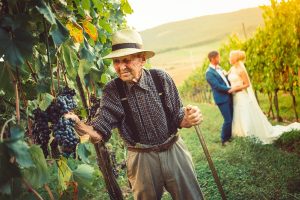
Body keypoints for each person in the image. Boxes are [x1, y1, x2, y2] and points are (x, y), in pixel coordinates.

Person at [65, 29, 204, 200]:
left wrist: (189, 117)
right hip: (141, 159)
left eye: (126, 60)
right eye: (116, 61)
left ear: (142, 60)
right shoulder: (112, 90)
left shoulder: (161, 78)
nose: (121, 67)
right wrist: (80, 125)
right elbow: (100, 130)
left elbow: (178, 115)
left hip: (174, 150)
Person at [227, 50, 300, 144]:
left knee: (244, 113)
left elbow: (247, 84)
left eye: (230, 57)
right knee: (237, 113)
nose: (229, 59)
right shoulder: (232, 69)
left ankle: (248, 134)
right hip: (235, 97)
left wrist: (235, 88)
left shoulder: (241, 70)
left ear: (235, 58)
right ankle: (240, 134)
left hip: (240, 95)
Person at [205, 51, 236, 146]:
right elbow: (217, 86)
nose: (220, 59)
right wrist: (231, 89)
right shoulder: (209, 73)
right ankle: (224, 140)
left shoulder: (219, 68)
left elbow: (225, 79)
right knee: (228, 120)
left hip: (229, 96)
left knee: (232, 118)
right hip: (222, 99)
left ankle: (230, 136)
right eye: (218, 57)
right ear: (213, 59)